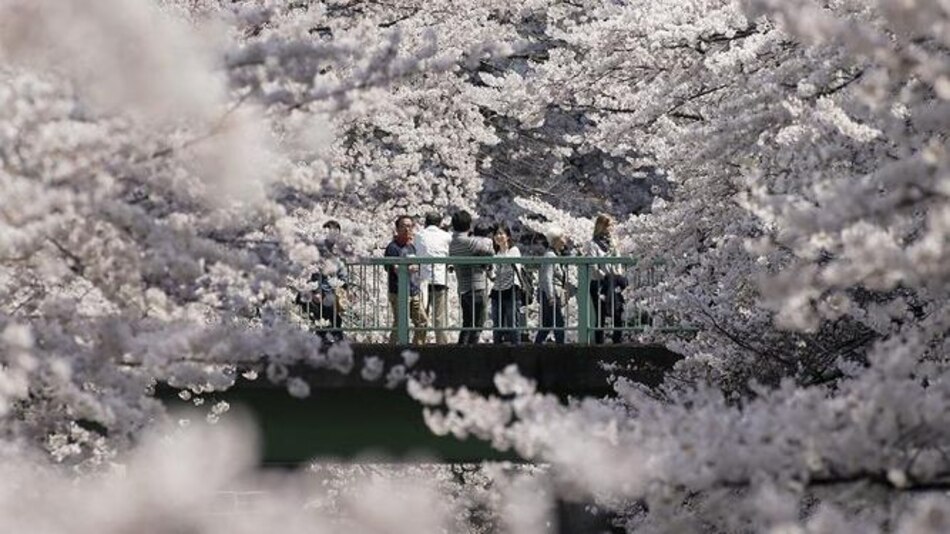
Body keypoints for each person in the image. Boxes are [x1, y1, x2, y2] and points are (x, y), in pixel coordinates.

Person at [295, 220, 348, 344]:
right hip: (315, 294)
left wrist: (344, 289)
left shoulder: (336, 253)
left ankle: (328, 342)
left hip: (328, 294)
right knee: (327, 321)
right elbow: (311, 274)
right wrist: (316, 292)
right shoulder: (316, 252)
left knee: (331, 321)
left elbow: (342, 275)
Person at [449, 210, 494, 344]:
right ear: (469, 225)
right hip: (476, 286)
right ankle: (473, 350)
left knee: (467, 322)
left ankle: (462, 349)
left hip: (463, 288)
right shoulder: (470, 242)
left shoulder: (452, 243)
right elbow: (490, 252)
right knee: (478, 323)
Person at [384, 215, 428, 344]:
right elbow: (394, 269)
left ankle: (417, 347)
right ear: (397, 229)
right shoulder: (392, 248)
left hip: (413, 290)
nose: (407, 229)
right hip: (398, 291)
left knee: (422, 321)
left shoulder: (411, 247)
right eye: (403, 226)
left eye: (409, 226)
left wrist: (416, 268)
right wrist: (408, 268)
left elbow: (416, 266)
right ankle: (393, 349)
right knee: (400, 323)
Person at [585, 214, 627, 344]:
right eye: (609, 226)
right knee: (600, 313)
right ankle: (599, 342)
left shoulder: (613, 243)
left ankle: (617, 339)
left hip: (614, 281)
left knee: (618, 310)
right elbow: (593, 265)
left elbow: (618, 260)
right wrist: (604, 275)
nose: (611, 229)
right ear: (601, 226)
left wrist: (617, 273)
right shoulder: (593, 244)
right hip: (600, 282)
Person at [414, 211, 452, 344]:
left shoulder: (419, 235)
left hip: (423, 280)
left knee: (421, 316)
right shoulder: (446, 236)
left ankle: (419, 344)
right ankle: (442, 345)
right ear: (440, 223)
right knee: (439, 318)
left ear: (426, 222)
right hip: (439, 279)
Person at [489, 223, 523, 344]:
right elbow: (493, 275)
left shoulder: (514, 251)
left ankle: (516, 349)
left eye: (501, 233)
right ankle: (497, 350)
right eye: (496, 234)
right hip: (497, 291)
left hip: (511, 290)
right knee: (497, 324)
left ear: (508, 236)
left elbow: (514, 268)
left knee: (513, 322)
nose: (498, 236)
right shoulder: (495, 254)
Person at [534, 227, 569, 345]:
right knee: (559, 323)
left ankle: (536, 347)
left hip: (551, 294)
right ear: (556, 240)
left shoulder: (554, 255)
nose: (565, 241)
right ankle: (560, 349)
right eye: (562, 238)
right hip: (551, 295)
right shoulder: (550, 256)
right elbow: (547, 277)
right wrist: (550, 297)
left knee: (547, 324)